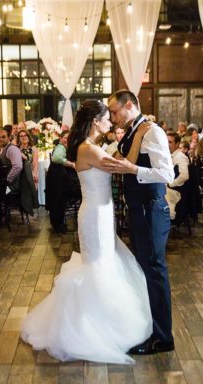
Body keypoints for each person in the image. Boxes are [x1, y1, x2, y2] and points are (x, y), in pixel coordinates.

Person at [21, 100, 151, 364]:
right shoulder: (86, 149)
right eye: (106, 118)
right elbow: (122, 165)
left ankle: (102, 319)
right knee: (97, 264)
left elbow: (115, 161)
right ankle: (92, 327)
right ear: (95, 121)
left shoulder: (92, 147)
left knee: (103, 261)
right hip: (94, 215)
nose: (110, 121)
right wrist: (138, 135)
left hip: (102, 212)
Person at [102, 90, 175, 355]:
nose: (113, 117)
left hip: (152, 210)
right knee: (145, 270)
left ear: (129, 106)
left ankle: (163, 337)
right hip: (139, 211)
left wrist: (132, 170)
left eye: (114, 111)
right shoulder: (132, 131)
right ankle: (150, 328)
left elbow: (167, 173)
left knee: (155, 271)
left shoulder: (151, 131)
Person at [45, 131, 78, 232]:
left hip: (58, 180)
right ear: (60, 139)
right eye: (65, 137)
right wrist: (71, 164)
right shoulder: (60, 147)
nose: (67, 140)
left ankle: (58, 223)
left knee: (60, 200)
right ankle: (58, 224)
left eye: (69, 138)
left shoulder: (65, 148)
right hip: (57, 181)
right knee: (60, 198)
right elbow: (56, 158)